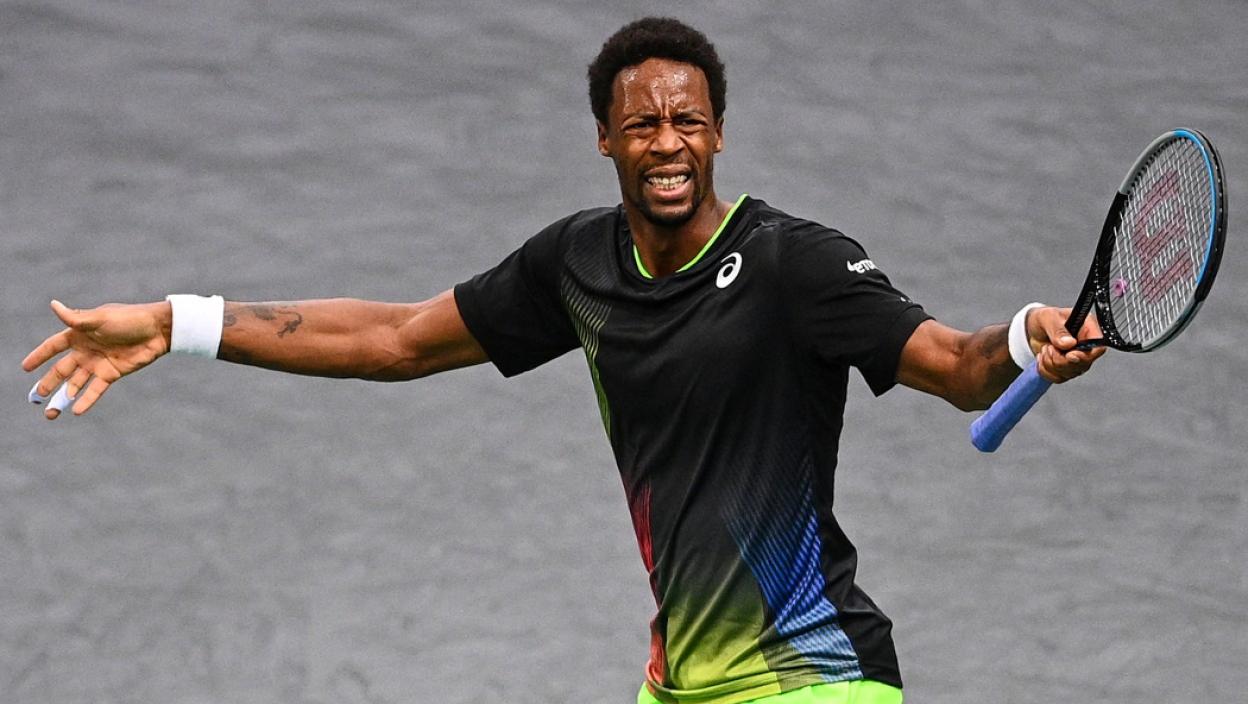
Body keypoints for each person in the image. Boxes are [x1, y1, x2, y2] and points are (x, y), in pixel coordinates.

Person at [22, 17, 1103, 704]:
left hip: (815, 677)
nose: (667, 141)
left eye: (688, 120)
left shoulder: (794, 263)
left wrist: (1023, 337)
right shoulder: (578, 264)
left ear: (719, 132)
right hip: (679, 681)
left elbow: (954, 363)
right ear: (606, 138)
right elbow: (393, 340)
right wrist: (182, 320)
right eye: (643, 124)